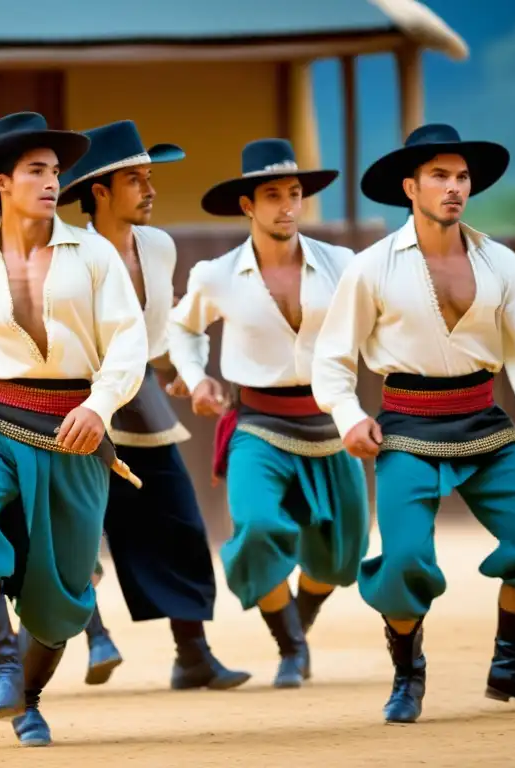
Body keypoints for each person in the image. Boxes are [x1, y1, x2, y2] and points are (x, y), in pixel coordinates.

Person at [311, 123, 515, 723]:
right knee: (407, 558)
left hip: (485, 424)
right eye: (439, 176)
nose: (454, 187)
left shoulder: (502, 262)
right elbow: (332, 359)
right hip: (407, 430)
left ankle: (512, 667)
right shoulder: (371, 268)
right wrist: (348, 415)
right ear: (410, 187)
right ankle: (407, 676)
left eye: (462, 176)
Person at [0, 111, 148, 746]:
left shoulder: (94, 254)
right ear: (3, 181)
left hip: (76, 433)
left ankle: (30, 700)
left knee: (62, 590)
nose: (51, 182)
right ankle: (3, 664)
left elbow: (129, 343)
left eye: (55, 171)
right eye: (36, 171)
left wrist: (99, 406)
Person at [168, 139, 370, 689]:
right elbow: (182, 327)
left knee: (341, 553)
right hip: (258, 425)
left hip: (332, 423)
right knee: (257, 528)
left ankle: (297, 626)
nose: (286, 205)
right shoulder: (217, 274)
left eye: (295, 194)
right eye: (273, 195)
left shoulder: (345, 266)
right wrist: (197, 376)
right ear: (247, 206)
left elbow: (379, 327)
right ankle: (291, 647)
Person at [56, 119, 249, 691]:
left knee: (179, 522)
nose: (150, 189)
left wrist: (183, 375)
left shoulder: (158, 246)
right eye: (136, 180)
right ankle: (95, 636)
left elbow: (155, 333)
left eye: (149, 177)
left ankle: (193, 653)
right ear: (100, 191)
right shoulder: (69, 252)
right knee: (73, 526)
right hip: (75, 401)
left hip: (140, 401)